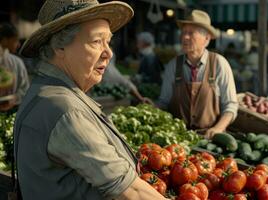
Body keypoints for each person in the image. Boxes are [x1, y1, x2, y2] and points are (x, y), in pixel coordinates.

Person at [13, 1, 167, 199]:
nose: (109, 53)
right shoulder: (65, 109)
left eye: (108, 41)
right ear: (59, 46)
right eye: (96, 41)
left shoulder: (45, 90)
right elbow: (131, 191)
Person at [157, 10, 238, 139]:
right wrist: (152, 109)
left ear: (206, 38)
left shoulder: (219, 64)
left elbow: (231, 105)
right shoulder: (173, 65)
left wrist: (218, 128)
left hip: (210, 141)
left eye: (191, 33)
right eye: (183, 32)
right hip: (178, 141)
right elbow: (163, 102)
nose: (185, 37)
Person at [0, 22, 29, 111]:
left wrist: (15, 98)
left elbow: (25, 89)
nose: (18, 45)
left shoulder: (16, 62)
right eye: (15, 40)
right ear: (5, 40)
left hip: (11, 112)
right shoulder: (16, 62)